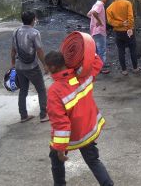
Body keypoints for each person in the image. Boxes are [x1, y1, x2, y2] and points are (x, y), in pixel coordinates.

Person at [44, 50, 113, 185]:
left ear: (53, 67)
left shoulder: (55, 91)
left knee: (56, 160)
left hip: (74, 134)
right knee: (93, 161)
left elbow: (60, 124)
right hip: (88, 129)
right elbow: (96, 62)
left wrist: (60, 148)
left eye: (46, 66)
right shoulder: (83, 75)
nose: (45, 68)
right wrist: (83, 52)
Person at [10, 10, 48, 122]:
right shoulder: (34, 33)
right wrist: (45, 65)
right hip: (32, 67)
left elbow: (13, 50)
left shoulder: (15, 32)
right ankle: (43, 115)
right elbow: (39, 50)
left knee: (23, 91)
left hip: (19, 66)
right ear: (33, 20)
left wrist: (13, 64)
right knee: (41, 90)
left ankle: (23, 116)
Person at [106, 0, 139, 75]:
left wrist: (120, 24)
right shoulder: (127, 3)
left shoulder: (109, 8)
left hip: (118, 32)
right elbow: (130, 17)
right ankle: (135, 68)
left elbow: (110, 21)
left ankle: (124, 70)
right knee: (133, 50)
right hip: (129, 31)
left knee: (121, 51)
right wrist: (130, 28)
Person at [87, 0, 110, 74]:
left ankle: (96, 66)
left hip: (94, 30)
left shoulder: (95, 4)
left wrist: (95, 21)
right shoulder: (100, 4)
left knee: (96, 50)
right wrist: (100, 21)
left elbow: (89, 14)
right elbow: (93, 13)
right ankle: (101, 68)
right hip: (99, 30)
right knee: (102, 50)